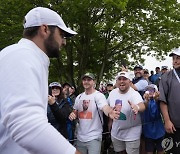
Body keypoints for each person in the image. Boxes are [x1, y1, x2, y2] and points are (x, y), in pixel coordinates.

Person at [0, 7, 80, 154]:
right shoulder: (21, 56)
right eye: (61, 34)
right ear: (45, 29)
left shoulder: (27, 57)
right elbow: (26, 125)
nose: (64, 42)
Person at [69, 72, 120, 154]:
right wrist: (73, 114)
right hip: (80, 138)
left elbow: (104, 107)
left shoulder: (99, 96)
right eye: (84, 80)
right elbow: (75, 110)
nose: (86, 82)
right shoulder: (79, 97)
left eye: (89, 80)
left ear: (94, 82)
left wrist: (110, 112)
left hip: (94, 137)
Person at [108, 71, 145, 154]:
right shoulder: (112, 93)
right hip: (116, 132)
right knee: (120, 152)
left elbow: (142, 106)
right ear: (116, 82)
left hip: (132, 133)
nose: (122, 81)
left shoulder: (134, 94)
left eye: (124, 79)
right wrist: (110, 122)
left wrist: (137, 107)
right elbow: (109, 108)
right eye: (119, 79)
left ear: (129, 81)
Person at [159, 48, 180, 154]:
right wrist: (167, 121)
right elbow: (163, 101)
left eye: (178, 58)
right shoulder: (166, 77)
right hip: (175, 125)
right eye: (173, 58)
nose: (175, 61)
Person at [142, 84, 165, 154]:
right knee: (149, 151)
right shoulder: (143, 101)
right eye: (148, 90)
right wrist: (146, 100)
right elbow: (144, 105)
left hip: (159, 130)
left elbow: (159, 104)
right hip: (148, 130)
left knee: (161, 150)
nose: (150, 92)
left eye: (152, 90)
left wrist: (156, 98)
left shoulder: (158, 101)